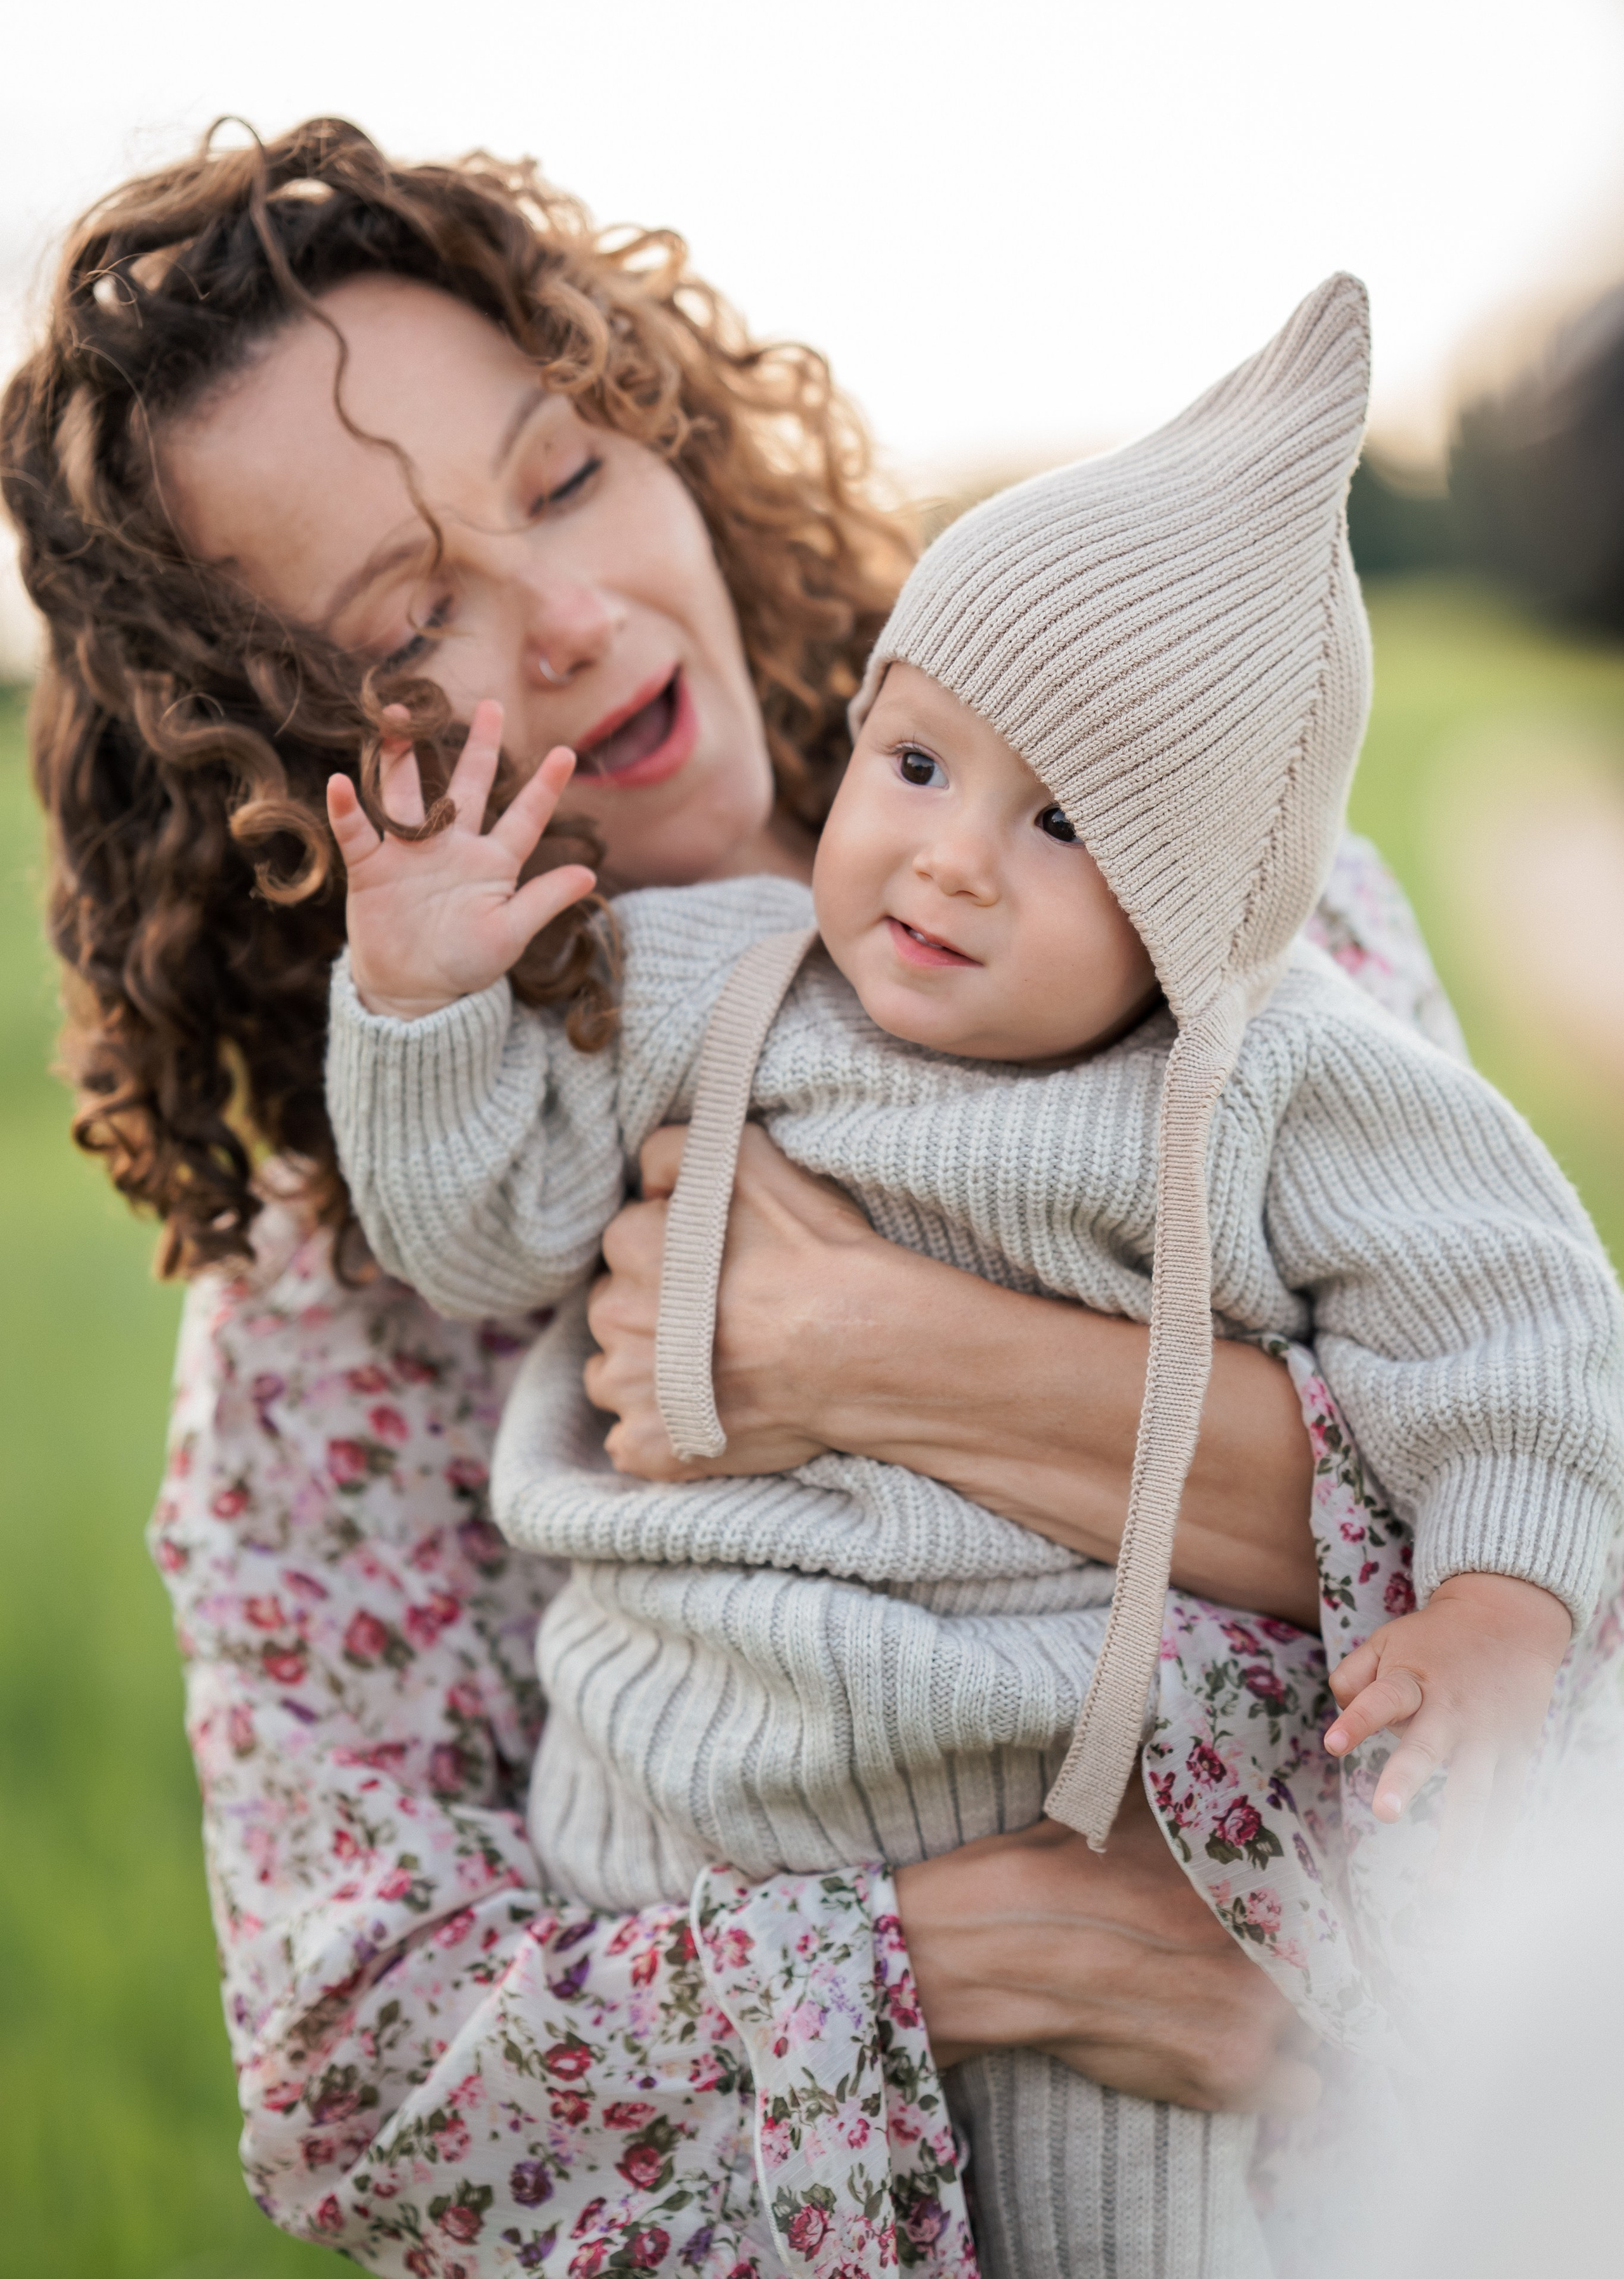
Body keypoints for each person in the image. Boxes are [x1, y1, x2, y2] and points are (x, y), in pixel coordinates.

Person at [3, 119, 1466, 2278]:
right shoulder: (349, 1309)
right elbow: (356, 2062)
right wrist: (1007, 1948)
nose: (576, 618)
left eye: (570, 469)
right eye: (417, 617)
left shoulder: (1216, 902)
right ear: (275, 762)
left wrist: (879, 1350)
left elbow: (1556, 1522)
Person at [320, 275, 1621, 2276]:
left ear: (1201, 904)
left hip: (1132, 1845)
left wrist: (1500, 1607)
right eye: (917, 767)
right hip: (697, 1808)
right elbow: (473, 1229)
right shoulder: (717, 978)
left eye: (1067, 823)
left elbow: (1517, 1310)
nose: (947, 862)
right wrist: (419, 1005)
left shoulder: (1271, 1068)